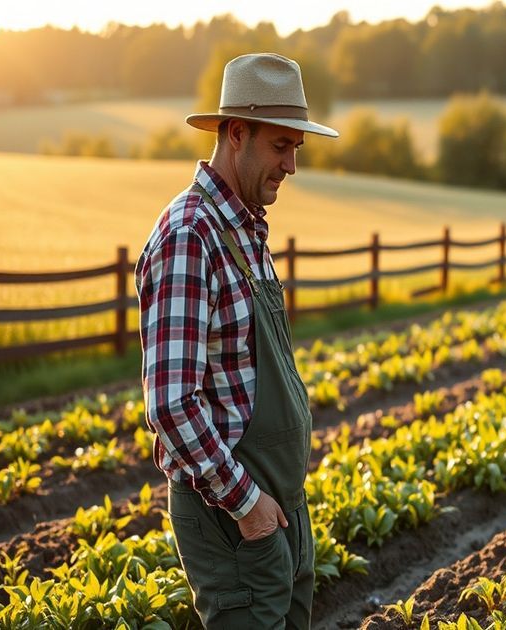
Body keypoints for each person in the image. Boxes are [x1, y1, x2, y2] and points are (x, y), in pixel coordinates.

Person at [135, 52, 338, 629]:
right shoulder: (189, 235)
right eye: (281, 146)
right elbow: (172, 404)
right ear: (237, 133)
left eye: (296, 147)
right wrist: (247, 505)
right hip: (233, 519)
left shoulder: (246, 226)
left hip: (281, 510)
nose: (292, 165)